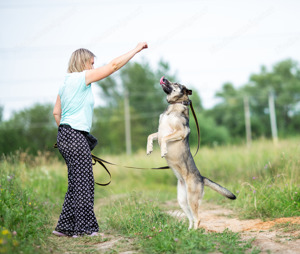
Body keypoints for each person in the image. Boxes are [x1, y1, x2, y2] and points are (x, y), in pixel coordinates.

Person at [52, 42, 148, 237]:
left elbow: (56, 113)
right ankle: (85, 229)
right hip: (74, 135)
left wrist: (67, 133)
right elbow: (112, 67)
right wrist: (136, 49)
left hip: (65, 135)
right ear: (83, 63)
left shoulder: (64, 83)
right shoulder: (81, 78)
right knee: (84, 183)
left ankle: (65, 227)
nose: (94, 68)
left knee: (76, 182)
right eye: (92, 64)